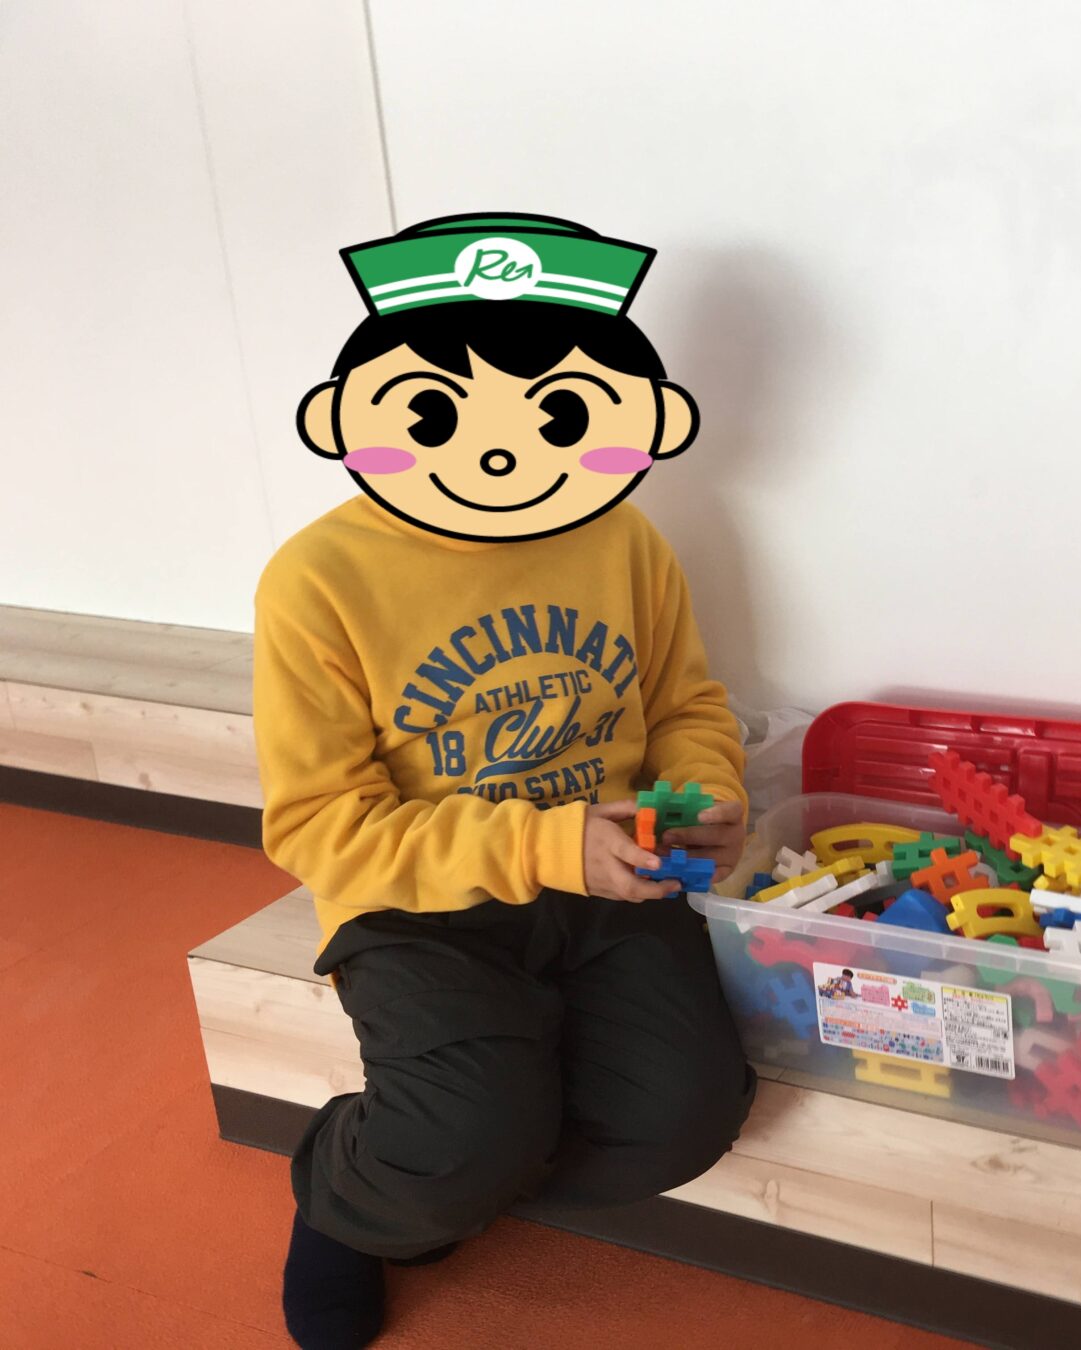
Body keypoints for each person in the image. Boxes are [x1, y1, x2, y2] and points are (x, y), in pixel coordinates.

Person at [254, 213, 755, 1350]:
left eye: (557, 417)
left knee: (681, 1124)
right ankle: (345, 1192)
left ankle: (459, 1156)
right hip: (419, 907)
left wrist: (703, 791)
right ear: (347, 419)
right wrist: (542, 845)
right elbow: (318, 826)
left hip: (615, 879)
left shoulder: (625, 540)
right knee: (462, 1141)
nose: (497, 456)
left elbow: (685, 704)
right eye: (437, 415)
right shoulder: (317, 580)